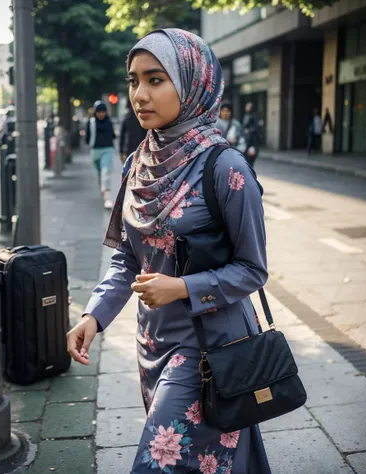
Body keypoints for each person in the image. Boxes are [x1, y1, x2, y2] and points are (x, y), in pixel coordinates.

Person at [68, 28, 271, 473]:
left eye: (155, 79)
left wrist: (181, 287)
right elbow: (126, 257)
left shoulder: (226, 168)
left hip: (208, 349)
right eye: (133, 80)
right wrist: (93, 315)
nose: (139, 94)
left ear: (192, 80)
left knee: (158, 463)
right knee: (215, 457)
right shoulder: (137, 163)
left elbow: (253, 270)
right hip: (152, 343)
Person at [85, 100, 116, 209]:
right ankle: (103, 189)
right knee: (100, 172)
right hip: (95, 151)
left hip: (107, 149)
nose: (101, 114)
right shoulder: (91, 122)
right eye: (99, 112)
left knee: (105, 172)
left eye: (103, 112)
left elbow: (112, 135)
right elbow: (87, 138)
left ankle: (107, 198)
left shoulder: (109, 122)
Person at [242, 102, 259, 166]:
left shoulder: (254, 116)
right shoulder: (246, 116)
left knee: (250, 160)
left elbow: (255, 127)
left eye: (248, 106)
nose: (246, 108)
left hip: (252, 141)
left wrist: (248, 131)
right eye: (246, 106)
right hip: (245, 141)